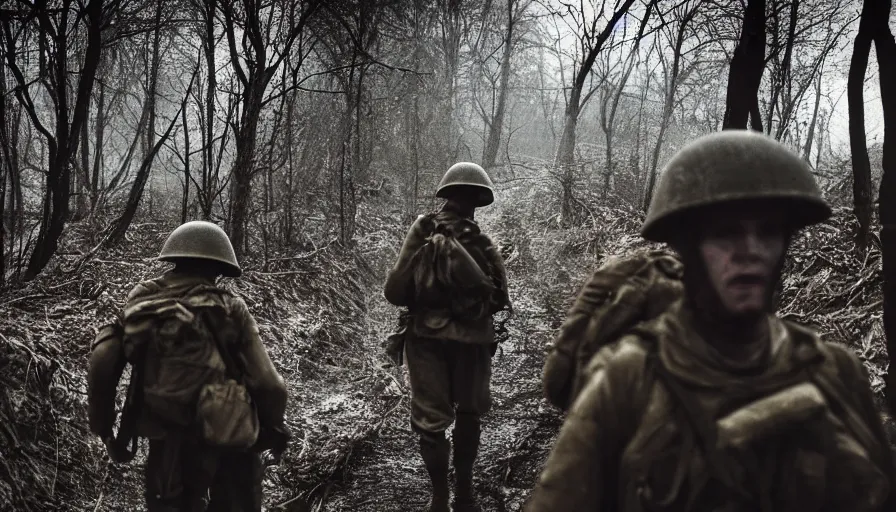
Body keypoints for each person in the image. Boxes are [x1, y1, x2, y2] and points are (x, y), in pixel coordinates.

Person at [525, 131, 896, 511]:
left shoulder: (836, 372)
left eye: (767, 232)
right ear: (688, 247)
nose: (749, 251)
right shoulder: (629, 377)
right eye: (726, 234)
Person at [88, 221, 290, 511]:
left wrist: (106, 430)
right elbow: (269, 385)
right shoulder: (230, 308)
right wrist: (271, 429)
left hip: (166, 442)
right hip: (229, 437)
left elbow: (103, 359)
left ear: (173, 257)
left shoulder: (143, 298)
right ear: (220, 268)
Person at [384, 162, 511, 512]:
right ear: (477, 200)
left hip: (425, 338)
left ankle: (439, 497)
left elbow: (394, 291)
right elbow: (500, 300)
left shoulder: (422, 229)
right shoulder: (482, 241)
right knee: (469, 414)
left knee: (431, 422)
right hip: (472, 341)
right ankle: (466, 493)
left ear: (446, 194)